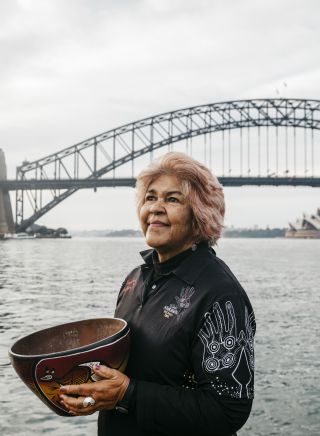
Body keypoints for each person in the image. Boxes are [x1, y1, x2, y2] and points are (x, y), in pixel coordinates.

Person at [60, 152, 256, 436]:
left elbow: (228, 410)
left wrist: (127, 394)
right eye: (150, 198)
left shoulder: (220, 295)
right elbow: (132, 370)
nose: (155, 208)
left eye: (172, 199)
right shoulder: (135, 279)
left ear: (200, 215)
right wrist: (91, 390)